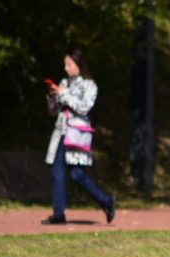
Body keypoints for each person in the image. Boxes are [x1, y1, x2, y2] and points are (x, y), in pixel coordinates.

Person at [43, 48, 115, 225]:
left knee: (77, 175)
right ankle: (59, 214)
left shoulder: (89, 85)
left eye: (69, 64)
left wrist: (64, 94)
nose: (66, 68)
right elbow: (53, 111)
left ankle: (107, 201)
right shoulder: (63, 83)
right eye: (65, 65)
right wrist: (53, 97)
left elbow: (84, 107)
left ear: (79, 65)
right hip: (61, 132)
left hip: (77, 135)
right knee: (57, 172)